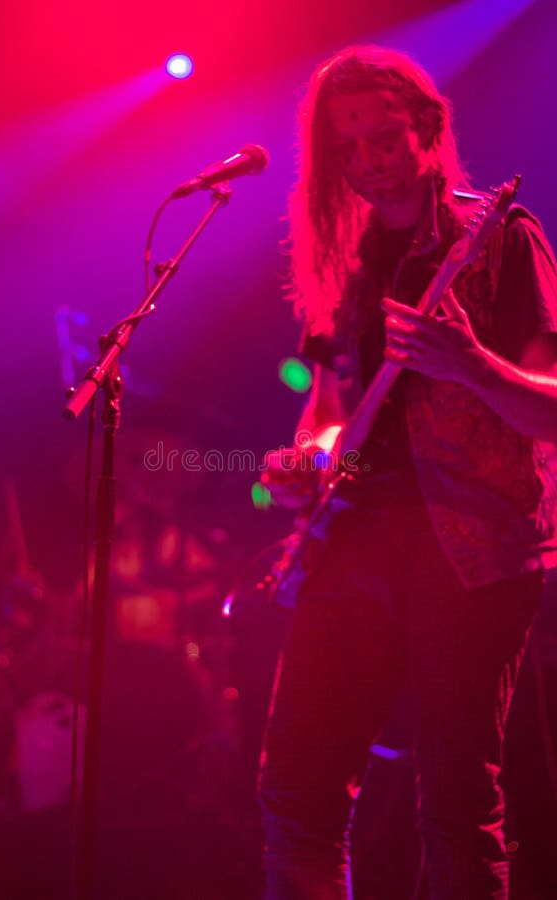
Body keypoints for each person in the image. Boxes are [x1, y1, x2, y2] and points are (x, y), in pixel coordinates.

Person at [257, 45, 557, 900]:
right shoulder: (345, 261)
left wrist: (472, 366)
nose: (367, 163)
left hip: (472, 557)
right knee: (297, 796)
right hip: (353, 547)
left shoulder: (500, 237)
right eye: (346, 150)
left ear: (428, 130)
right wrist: (302, 464)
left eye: (384, 139)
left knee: (457, 810)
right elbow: (328, 414)